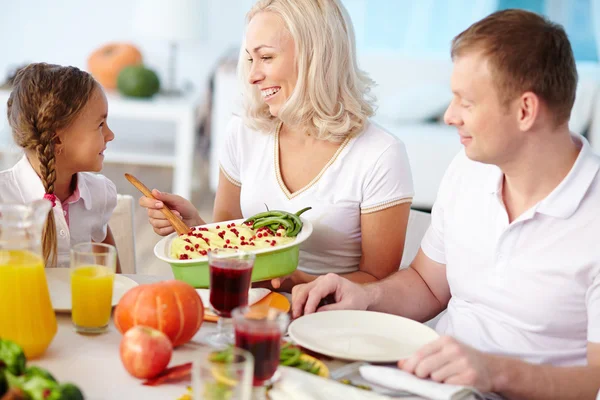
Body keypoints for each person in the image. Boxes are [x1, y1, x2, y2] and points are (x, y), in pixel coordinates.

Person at [292, 9, 600, 399]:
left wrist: (494, 372)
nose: (450, 116)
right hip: (430, 387)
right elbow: (426, 285)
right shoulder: (469, 171)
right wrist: (366, 298)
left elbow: (596, 380)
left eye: (466, 102)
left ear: (525, 111)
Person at [140, 0, 414, 292]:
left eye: (266, 57)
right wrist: (194, 227)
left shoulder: (380, 155)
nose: (252, 75)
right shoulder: (243, 132)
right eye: (250, 60)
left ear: (315, 57)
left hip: (332, 319)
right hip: (248, 306)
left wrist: (299, 281)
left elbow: (378, 282)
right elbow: (231, 244)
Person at [0, 63, 121, 272]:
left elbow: (114, 278)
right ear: (57, 138)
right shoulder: (4, 198)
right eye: (100, 125)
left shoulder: (99, 194)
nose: (110, 135)